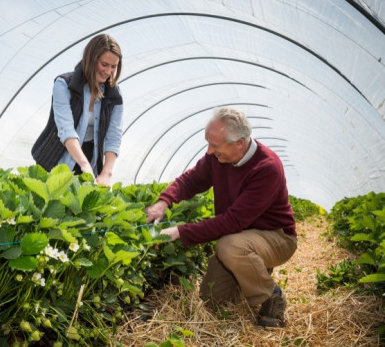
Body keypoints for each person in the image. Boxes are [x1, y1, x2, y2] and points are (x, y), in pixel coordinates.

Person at [146, 106, 298, 328]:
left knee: (229, 247)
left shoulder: (267, 168)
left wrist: (179, 232)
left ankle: (271, 297)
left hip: (276, 237)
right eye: (208, 143)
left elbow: (232, 222)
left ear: (239, 142)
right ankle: (250, 271)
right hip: (241, 235)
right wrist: (163, 202)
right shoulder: (217, 158)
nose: (209, 151)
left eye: (214, 145)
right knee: (212, 299)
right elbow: (192, 180)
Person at [32, 34, 123, 185]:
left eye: (114, 67)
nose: (108, 72)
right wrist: (84, 164)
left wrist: (106, 172)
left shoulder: (114, 95)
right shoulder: (64, 84)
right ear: (91, 59)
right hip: (57, 157)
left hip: (89, 158)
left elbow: (114, 136)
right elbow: (66, 129)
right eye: (104, 64)